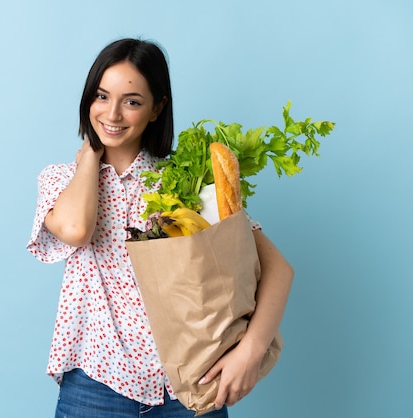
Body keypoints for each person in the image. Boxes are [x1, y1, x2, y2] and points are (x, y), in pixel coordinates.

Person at [27, 38, 294, 418]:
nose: (113, 114)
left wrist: (250, 352)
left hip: (188, 388)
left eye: (132, 101)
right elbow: (75, 229)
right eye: (102, 97)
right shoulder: (60, 181)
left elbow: (279, 270)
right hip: (96, 387)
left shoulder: (184, 181)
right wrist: (89, 156)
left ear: (156, 110)